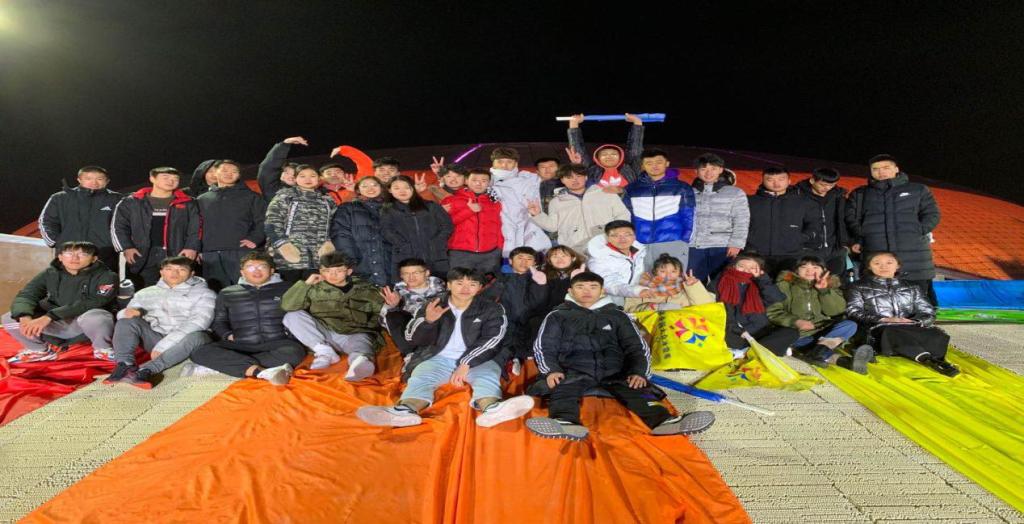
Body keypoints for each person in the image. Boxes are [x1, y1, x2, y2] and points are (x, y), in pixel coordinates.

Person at [527, 271, 715, 441]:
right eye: (580, 287)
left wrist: (639, 372)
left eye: (593, 287)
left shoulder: (617, 316)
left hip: (615, 371)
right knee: (563, 387)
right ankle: (564, 422)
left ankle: (665, 422)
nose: (587, 291)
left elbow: (636, 347)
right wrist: (551, 370)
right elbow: (544, 346)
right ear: (571, 291)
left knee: (637, 389)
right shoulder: (558, 316)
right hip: (573, 369)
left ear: (602, 291)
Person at [356, 267, 534, 428]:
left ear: (479, 288)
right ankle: (404, 411)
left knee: (487, 377)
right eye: (459, 283)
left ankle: (492, 409)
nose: (465, 289)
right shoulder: (433, 304)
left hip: (478, 359)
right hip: (437, 357)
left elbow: (494, 338)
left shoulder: (491, 308)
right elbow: (411, 339)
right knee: (420, 377)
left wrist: (466, 362)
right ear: (449, 285)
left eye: (472, 284)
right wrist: (428, 322)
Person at [189, 252, 305, 386]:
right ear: (242, 272)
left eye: (262, 266)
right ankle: (260, 371)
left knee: (295, 354)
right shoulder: (227, 292)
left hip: (279, 343)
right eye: (250, 267)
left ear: (272, 270)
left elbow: (301, 314)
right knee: (199, 352)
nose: (256, 271)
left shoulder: (289, 288)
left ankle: (230, 365)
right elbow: (219, 321)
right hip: (241, 343)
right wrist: (228, 335)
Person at [104, 256, 215, 389]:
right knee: (125, 322)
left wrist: (162, 347)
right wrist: (130, 313)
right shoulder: (145, 293)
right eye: (169, 269)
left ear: (192, 273)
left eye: (181, 270)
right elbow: (125, 314)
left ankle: (148, 370)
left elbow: (198, 323)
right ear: (161, 272)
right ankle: (125, 365)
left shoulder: (205, 293)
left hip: (186, 343)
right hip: (156, 338)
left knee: (199, 336)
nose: (174, 273)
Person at [845, 155, 941, 303]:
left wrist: (918, 230)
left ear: (896, 169)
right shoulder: (860, 194)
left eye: (886, 168)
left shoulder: (918, 190)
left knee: (919, 298)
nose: (881, 172)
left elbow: (932, 214)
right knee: (879, 300)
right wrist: (862, 235)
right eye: (875, 169)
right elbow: (851, 218)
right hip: (876, 252)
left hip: (914, 254)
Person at [845, 251, 957, 376]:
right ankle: (929, 360)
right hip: (878, 328)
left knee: (937, 334)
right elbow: (853, 311)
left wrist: (915, 321)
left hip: (908, 326)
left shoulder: (912, 287)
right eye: (877, 263)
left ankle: (926, 355)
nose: (883, 267)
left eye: (889, 263)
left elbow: (928, 311)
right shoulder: (858, 287)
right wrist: (884, 320)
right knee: (892, 332)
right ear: (869, 267)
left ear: (897, 265)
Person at [2, 241, 117, 360]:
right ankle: (38, 350)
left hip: (82, 324)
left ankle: (103, 349)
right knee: (10, 317)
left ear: (94, 258)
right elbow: (27, 295)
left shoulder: (107, 276)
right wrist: (24, 316)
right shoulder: (50, 273)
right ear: (60, 257)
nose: (74, 258)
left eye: (82, 254)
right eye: (69, 253)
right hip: (56, 322)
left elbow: (95, 301)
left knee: (97, 317)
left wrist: (50, 316)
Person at [281, 252, 384, 377]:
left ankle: (358, 364)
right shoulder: (313, 289)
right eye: (327, 271)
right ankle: (325, 352)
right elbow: (287, 306)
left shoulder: (366, 289)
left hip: (354, 334)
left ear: (349, 271)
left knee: (361, 343)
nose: (332, 275)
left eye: (338, 271)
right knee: (292, 315)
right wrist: (306, 284)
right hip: (324, 336)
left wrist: (391, 306)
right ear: (321, 272)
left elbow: (380, 312)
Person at [767, 256, 868, 371]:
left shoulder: (830, 285)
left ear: (823, 270)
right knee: (814, 347)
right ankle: (844, 361)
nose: (809, 271)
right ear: (796, 270)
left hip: (823, 332)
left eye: (815, 267)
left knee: (850, 325)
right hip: (798, 335)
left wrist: (824, 290)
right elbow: (773, 311)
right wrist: (795, 321)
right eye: (804, 267)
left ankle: (817, 354)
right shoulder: (784, 285)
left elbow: (836, 311)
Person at [111, 167, 201, 288]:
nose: (171, 181)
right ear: (152, 179)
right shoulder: (131, 201)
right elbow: (118, 227)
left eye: (175, 179)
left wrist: (192, 247)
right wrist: (126, 247)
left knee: (178, 287)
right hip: (142, 253)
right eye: (165, 178)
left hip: (177, 252)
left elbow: (196, 228)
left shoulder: (188, 202)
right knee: (143, 289)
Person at [196, 160, 268, 292]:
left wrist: (255, 239)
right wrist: (197, 249)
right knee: (215, 292)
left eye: (234, 171)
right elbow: (196, 226)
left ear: (239, 175)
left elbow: (264, 220)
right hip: (210, 254)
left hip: (241, 251)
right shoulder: (202, 199)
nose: (229, 174)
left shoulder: (251, 196)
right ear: (215, 173)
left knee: (245, 290)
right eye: (224, 170)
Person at [528, 163, 631, 255]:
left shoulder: (605, 193)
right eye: (569, 177)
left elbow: (622, 215)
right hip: (574, 248)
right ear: (562, 180)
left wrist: (615, 235)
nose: (574, 180)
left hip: (605, 243)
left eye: (578, 176)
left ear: (586, 177)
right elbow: (552, 227)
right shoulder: (556, 201)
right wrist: (537, 215)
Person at [710, 252, 798, 358]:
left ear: (760, 270)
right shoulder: (721, 282)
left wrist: (762, 279)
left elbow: (776, 298)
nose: (746, 270)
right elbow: (720, 312)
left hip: (758, 331)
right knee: (725, 338)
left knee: (792, 332)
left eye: (752, 268)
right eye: (741, 266)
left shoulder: (760, 283)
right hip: (734, 331)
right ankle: (765, 349)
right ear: (734, 266)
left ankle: (747, 352)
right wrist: (739, 331)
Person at [38, 166, 124, 272]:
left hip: (104, 254)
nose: (94, 182)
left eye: (99, 179)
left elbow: (125, 224)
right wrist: (57, 242)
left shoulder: (117, 199)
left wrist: (115, 245)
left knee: (104, 282)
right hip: (69, 254)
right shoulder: (60, 198)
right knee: (66, 281)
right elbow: (46, 221)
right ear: (79, 180)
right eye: (88, 178)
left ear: (107, 181)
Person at [623, 149, 696, 270]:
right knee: (642, 279)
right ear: (642, 165)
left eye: (659, 162)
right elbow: (625, 216)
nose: (654, 166)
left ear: (667, 163)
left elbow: (689, 216)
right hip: (639, 243)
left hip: (672, 242)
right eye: (649, 163)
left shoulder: (682, 187)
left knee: (671, 279)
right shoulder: (632, 189)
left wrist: (684, 240)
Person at [264, 164, 337, 282]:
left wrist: (329, 243)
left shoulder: (328, 200)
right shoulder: (285, 196)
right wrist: (283, 245)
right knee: (290, 291)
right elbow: (272, 223)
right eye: (302, 176)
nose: (308, 179)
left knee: (315, 290)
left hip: (318, 258)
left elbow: (335, 225)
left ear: (319, 178)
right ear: (295, 179)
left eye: (312, 176)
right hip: (288, 259)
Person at [744, 167, 821, 276]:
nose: (776, 184)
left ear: (789, 181)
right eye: (770, 180)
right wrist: (750, 240)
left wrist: (801, 238)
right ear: (763, 180)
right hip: (757, 254)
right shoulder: (750, 201)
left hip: (791, 256)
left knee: (787, 284)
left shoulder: (803, 202)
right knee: (758, 283)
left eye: (781, 179)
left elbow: (814, 224)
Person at [688, 154, 750, 283]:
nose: (708, 173)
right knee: (694, 284)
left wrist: (736, 244)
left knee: (722, 284)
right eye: (703, 169)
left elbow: (742, 220)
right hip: (693, 246)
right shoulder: (687, 192)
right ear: (696, 171)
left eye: (713, 169)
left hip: (723, 246)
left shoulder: (735, 193)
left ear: (721, 170)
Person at [380, 175, 453, 278]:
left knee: (438, 284)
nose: (402, 191)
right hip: (406, 256)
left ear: (413, 188)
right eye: (396, 188)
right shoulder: (388, 210)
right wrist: (403, 245)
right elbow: (387, 231)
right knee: (410, 284)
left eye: (406, 187)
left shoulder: (431, 206)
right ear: (390, 190)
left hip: (435, 254)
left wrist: (437, 241)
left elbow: (447, 226)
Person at [492, 247, 549, 371]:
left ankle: (518, 359)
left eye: (529, 259)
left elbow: (539, 304)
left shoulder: (539, 278)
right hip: (503, 322)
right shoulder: (498, 277)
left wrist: (541, 285)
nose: (524, 262)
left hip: (528, 324)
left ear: (535, 263)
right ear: (510, 261)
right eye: (520, 258)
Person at [330, 176, 392, 286]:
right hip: (361, 262)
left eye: (374, 185)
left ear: (381, 188)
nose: (370, 188)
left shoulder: (391, 208)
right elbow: (340, 234)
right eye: (365, 186)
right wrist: (350, 259)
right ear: (358, 190)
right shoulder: (348, 208)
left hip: (389, 262)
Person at [489, 147, 552, 256]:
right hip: (497, 234)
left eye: (509, 162)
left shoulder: (530, 179)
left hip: (529, 230)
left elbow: (557, 179)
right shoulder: (484, 182)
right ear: (493, 163)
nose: (504, 165)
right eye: (500, 161)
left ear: (516, 164)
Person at [380, 258, 447, 357]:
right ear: (401, 276)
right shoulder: (395, 294)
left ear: (427, 273)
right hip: (413, 335)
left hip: (439, 328)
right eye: (406, 274)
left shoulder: (443, 287)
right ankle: (410, 355)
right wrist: (393, 306)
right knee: (392, 316)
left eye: (416, 273)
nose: (411, 277)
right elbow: (384, 322)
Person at [443, 168, 503, 276]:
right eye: (474, 180)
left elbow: (499, 225)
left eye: (483, 180)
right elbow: (444, 225)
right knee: (460, 282)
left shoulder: (495, 202)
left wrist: (499, 247)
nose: (478, 184)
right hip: (460, 253)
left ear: (489, 183)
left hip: (490, 253)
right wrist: (469, 211)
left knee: (488, 284)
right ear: (466, 181)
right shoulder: (451, 200)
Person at [793, 167, 850, 279]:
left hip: (835, 249)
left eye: (831, 185)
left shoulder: (838, 196)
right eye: (823, 185)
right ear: (812, 180)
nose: (827, 188)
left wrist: (845, 243)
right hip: (807, 249)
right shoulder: (796, 196)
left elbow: (844, 220)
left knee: (835, 281)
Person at [565, 113, 644, 189]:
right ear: (597, 158)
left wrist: (637, 122)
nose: (609, 156)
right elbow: (578, 151)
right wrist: (573, 124)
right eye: (604, 154)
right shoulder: (591, 171)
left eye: (614, 154)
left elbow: (635, 150)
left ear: (621, 157)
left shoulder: (630, 170)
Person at [586, 220, 653, 303]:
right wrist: (637, 290)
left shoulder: (640, 251)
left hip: (637, 297)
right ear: (608, 238)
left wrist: (647, 281)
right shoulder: (598, 259)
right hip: (611, 302)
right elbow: (609, 285)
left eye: (627, 234)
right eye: (615, 235)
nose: (622, 239)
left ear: (634, 236)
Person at [623, 254, 715, 312]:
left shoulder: (687, 289)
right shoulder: (641, 289)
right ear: (655, 272)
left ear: (680, 274)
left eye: (673, 271)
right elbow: (629, 310)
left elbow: (709, 306)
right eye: (663, 271)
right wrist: (655, 307)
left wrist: (693, 287)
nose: (668, 275)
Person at [538, 245, 586, 315]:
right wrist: (541, 285)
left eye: (564, 256)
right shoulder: (541, 275)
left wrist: (575, 282)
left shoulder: (584, 273)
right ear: (549, 260)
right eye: (555, 256)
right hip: (547, 315)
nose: (560, 259)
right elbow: (540, 302)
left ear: (573, 258)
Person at [258, 136, 308, 202]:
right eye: (287, 173)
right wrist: (285, 144)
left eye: (295, 174)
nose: (291, 176)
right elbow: (268, 168)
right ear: (280, 174)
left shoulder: (307, 192)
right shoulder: (272, 188)